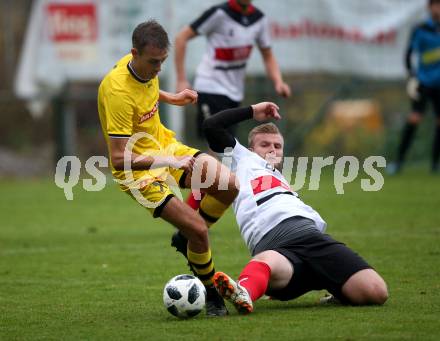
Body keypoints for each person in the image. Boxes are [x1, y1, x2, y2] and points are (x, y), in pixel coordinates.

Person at [97, 20, 239, 316]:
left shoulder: (138, 65)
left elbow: (146, 90)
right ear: (134, 52)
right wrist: (170, 162)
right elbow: (119, 158)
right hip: (139, 174)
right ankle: (212, 294)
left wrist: (172, 98)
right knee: (200, 231)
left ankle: (185, 237)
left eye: (162, 61)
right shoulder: (117, 92)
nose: (159, 68)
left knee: (228, 185)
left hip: (164, 147)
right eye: (153, 62)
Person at [200, 102, 388, 314]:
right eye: (265, 144)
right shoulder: (242, 159)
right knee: (266, 261)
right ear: (251, 149)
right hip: (274, 243)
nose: (272, 148)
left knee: (376, 292)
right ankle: (244, 292)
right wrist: (253, 111)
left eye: (277, 146)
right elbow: (212, 126)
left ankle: (335, 287)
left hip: (312, 238)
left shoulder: (280, 178)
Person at [174, 0, 291, 209]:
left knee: (223, 159)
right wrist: (182, 78)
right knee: (216, 156)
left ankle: (193, 215)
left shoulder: (258, 19)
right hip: (209, 88)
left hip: (234, 94)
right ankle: (190, 215)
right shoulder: (218, 13)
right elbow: (181, 37)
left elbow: (267, 53)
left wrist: (278, 81)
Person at [389, 0, 440, 174]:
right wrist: (412, 77)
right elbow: (409, 55)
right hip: (424, 82)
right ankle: (399, 162)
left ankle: (435, 165)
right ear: (430, 7)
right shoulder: (421, 29)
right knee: (415, 118)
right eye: (436, 5)